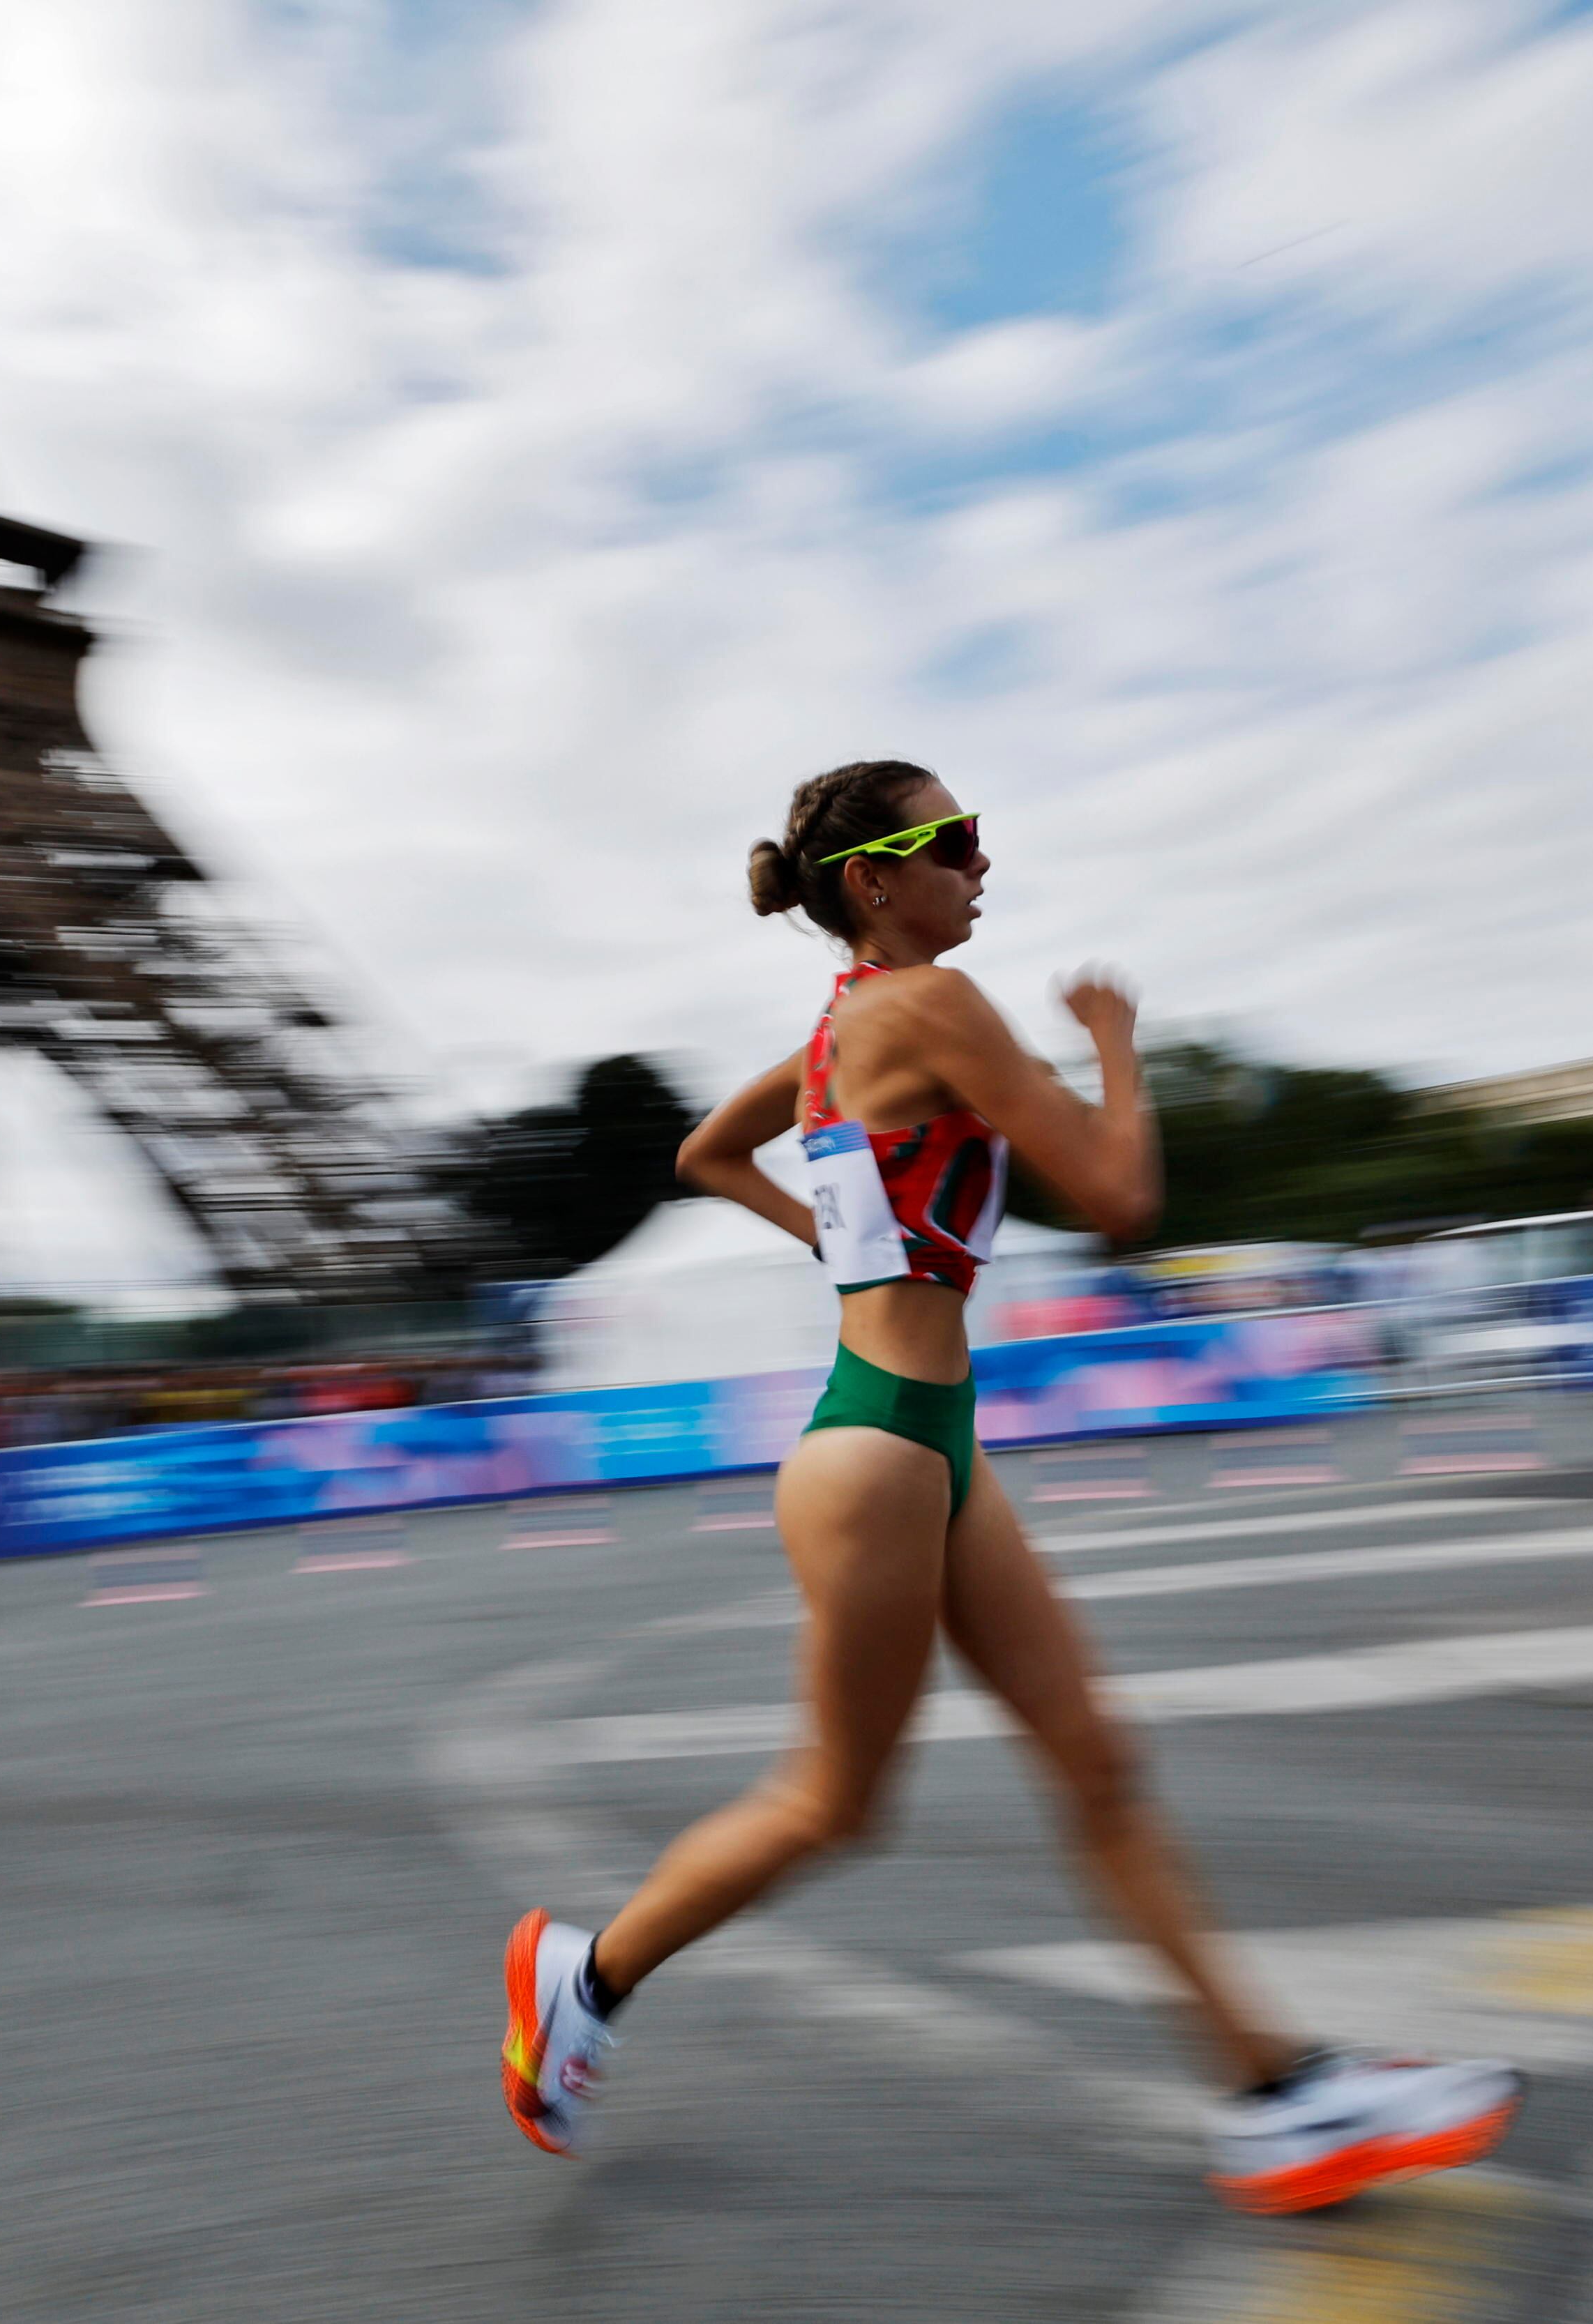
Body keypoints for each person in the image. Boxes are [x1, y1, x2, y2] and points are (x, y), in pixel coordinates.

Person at [497, 759, 1523, 2215]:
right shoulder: (928, 1005)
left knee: (1094, 1758)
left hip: (923, 1436)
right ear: (876, 878)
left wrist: (838, 1247)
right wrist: (1113, 1042)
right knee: (834, 1802)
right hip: (880, 1454)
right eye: (956, 842)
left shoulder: (838, 1025)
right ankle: (580, 1973)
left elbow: (702, 1153)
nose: (985, 865)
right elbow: (1117, 1197)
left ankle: (1275, 2098)